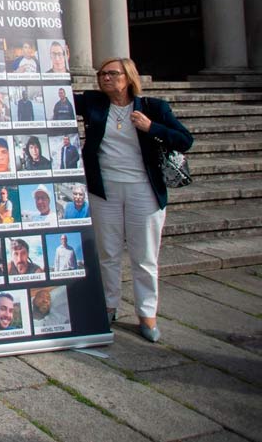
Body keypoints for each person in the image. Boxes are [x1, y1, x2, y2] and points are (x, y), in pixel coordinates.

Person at [76, 57, 193, 343]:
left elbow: (185, 140)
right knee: (108, 253)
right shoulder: (93, 103)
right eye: (101, 74)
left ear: (128, 77)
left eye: (111, 73)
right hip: (105, 190)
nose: (104, 78)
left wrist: (152, 127)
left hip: (144, 190)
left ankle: (147, 314)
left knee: (145, 257)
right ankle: (108, 306)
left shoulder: (154, 108)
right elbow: (57, 94)